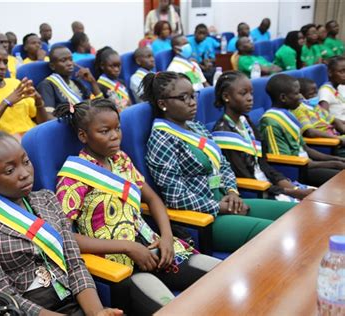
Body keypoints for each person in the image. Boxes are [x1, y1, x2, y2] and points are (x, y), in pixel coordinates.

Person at [54, 99, 221, 314]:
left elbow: (152, 200)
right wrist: (128, 247)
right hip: (121, 263)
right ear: (83, 136)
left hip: (154, 248)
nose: (115, 136)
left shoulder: (121, 159)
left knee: (222, 274)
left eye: (117, 128)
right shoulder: (73, 177)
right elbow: (64, 237)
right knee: (175, 309)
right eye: (104, 131)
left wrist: (167, 237)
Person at [0, 120, 123, 316]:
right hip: (23, 311)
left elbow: (74, 264)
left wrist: (97, 312)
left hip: (74, 301)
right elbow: (1, 297)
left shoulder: (47, 199)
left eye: (26, 162)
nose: (25, 174)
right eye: (10, 171)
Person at [142, 71, 295, 253]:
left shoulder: (196, 127)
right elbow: (176, 197)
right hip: (205, 218)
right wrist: (220, 207)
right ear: (163, 104)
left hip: (227, 201)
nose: (192, 102)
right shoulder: (161, 140)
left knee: (295, 214)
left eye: (193, 96)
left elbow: (223, 164)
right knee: (279, 233)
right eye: (184, 98)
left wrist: (232, 192)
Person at [212, 71, 315, 201]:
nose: (250, 98)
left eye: (251, 93)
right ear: (226, 96)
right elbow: (244, 177)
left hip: (271, 185)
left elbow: (264, 164)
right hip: (256, 192)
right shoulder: (224, 134)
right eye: (243, 93)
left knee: (318, 196)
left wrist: (294, 189)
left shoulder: (246, 122)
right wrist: (291, 192)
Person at [260, 74, 345, 186]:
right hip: (298, 172)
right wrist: (333, 164)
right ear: (283, 98)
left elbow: (305, 149)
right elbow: (283, 161)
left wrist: (336, 159)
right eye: (296, 93)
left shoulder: (290, 114)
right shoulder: (271, 122)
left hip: (308, 165)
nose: (301, 96)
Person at [37, 46, 102, 111]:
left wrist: (92, 82)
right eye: (63, 60)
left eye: (71, 59)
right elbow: (49, 116)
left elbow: (101, 105)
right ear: (52, 66)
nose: (70, 63)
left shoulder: (77, 83)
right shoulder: (46, 85)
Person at [294, 77, 345, 147]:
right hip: (328, 142)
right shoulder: (299, 110)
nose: (315, 96)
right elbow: (310, 132)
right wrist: (337, 138)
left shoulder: (315, 106)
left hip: (336, 136)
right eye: (311, 94)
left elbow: (333, 119)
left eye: (316, 93)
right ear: (300, 95)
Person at [319, 56, 345, 121]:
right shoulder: (325, 91)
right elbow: (324, 116)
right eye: (341, 72)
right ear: (330, 73)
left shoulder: (341, 86)